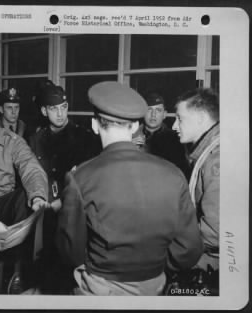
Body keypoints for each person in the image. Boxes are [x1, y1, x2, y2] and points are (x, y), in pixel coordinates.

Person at [55, 81, 203, 296]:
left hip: (99, 289)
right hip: (156, 287)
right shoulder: (173, 174)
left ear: (95, 125)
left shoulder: (80, 177)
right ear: (134, 127)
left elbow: (70, 253)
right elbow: (189, 250)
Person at [0, 98, 49, 294]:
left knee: (25, 199)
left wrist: (37, 196)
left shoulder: (11, 140)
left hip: (1, 200)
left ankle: (20, 271)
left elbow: (31, 167)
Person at [28, 80, 101, 293]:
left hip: (73, 210)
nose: (60, 114)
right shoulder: (35, 138)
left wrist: (62, 201)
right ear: (44, 110)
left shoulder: (84, 137)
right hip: (45, 207)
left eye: (63, 107)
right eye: (53, 109)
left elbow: (88, 179)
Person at [172, 88, 220, 279]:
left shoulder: (216, 160)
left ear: (201, 119)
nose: (175, 125)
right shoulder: (208, 152)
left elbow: (214, 233)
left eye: (180, 119)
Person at [132, 92, 190, 177]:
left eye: (158, 110)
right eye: (149, 110)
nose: (153, 115)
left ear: (164, 114)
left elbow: (182, 173)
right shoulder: (130, 136)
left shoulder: (176, 140)